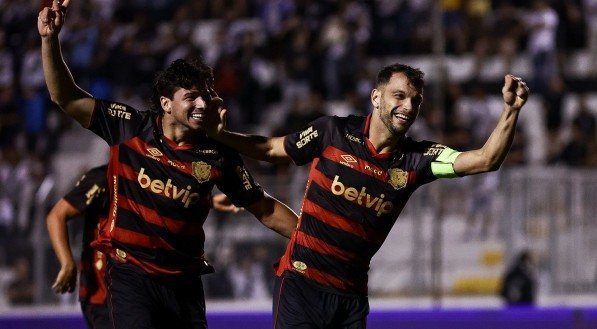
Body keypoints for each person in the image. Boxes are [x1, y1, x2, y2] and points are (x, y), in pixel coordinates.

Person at [205, 63, 529, 327]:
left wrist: (511, 111)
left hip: (351, 299)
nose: (408, 106)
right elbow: (270, 148)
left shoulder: (418, 159)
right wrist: (222, 136)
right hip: (302, 286)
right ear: (376, 97)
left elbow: (486, 159)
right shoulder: (331, 132)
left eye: (415, 101)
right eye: (399, 96)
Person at [38, 1, 298, 328]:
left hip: (184, 281)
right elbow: (66, 97)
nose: (202, 103)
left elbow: (263, 208)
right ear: (166, 104)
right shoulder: (129, 126)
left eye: (206, 95)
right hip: (130, 274)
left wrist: (316, 238)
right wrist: (50, 41)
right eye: (191, 97)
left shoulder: (218, 153)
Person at [46, 165, 242, 328]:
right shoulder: (102, 178)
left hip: (150, 288)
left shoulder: (157, 176)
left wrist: (207, 202)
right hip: (104, 295)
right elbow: (57, 215)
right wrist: (67, 263)